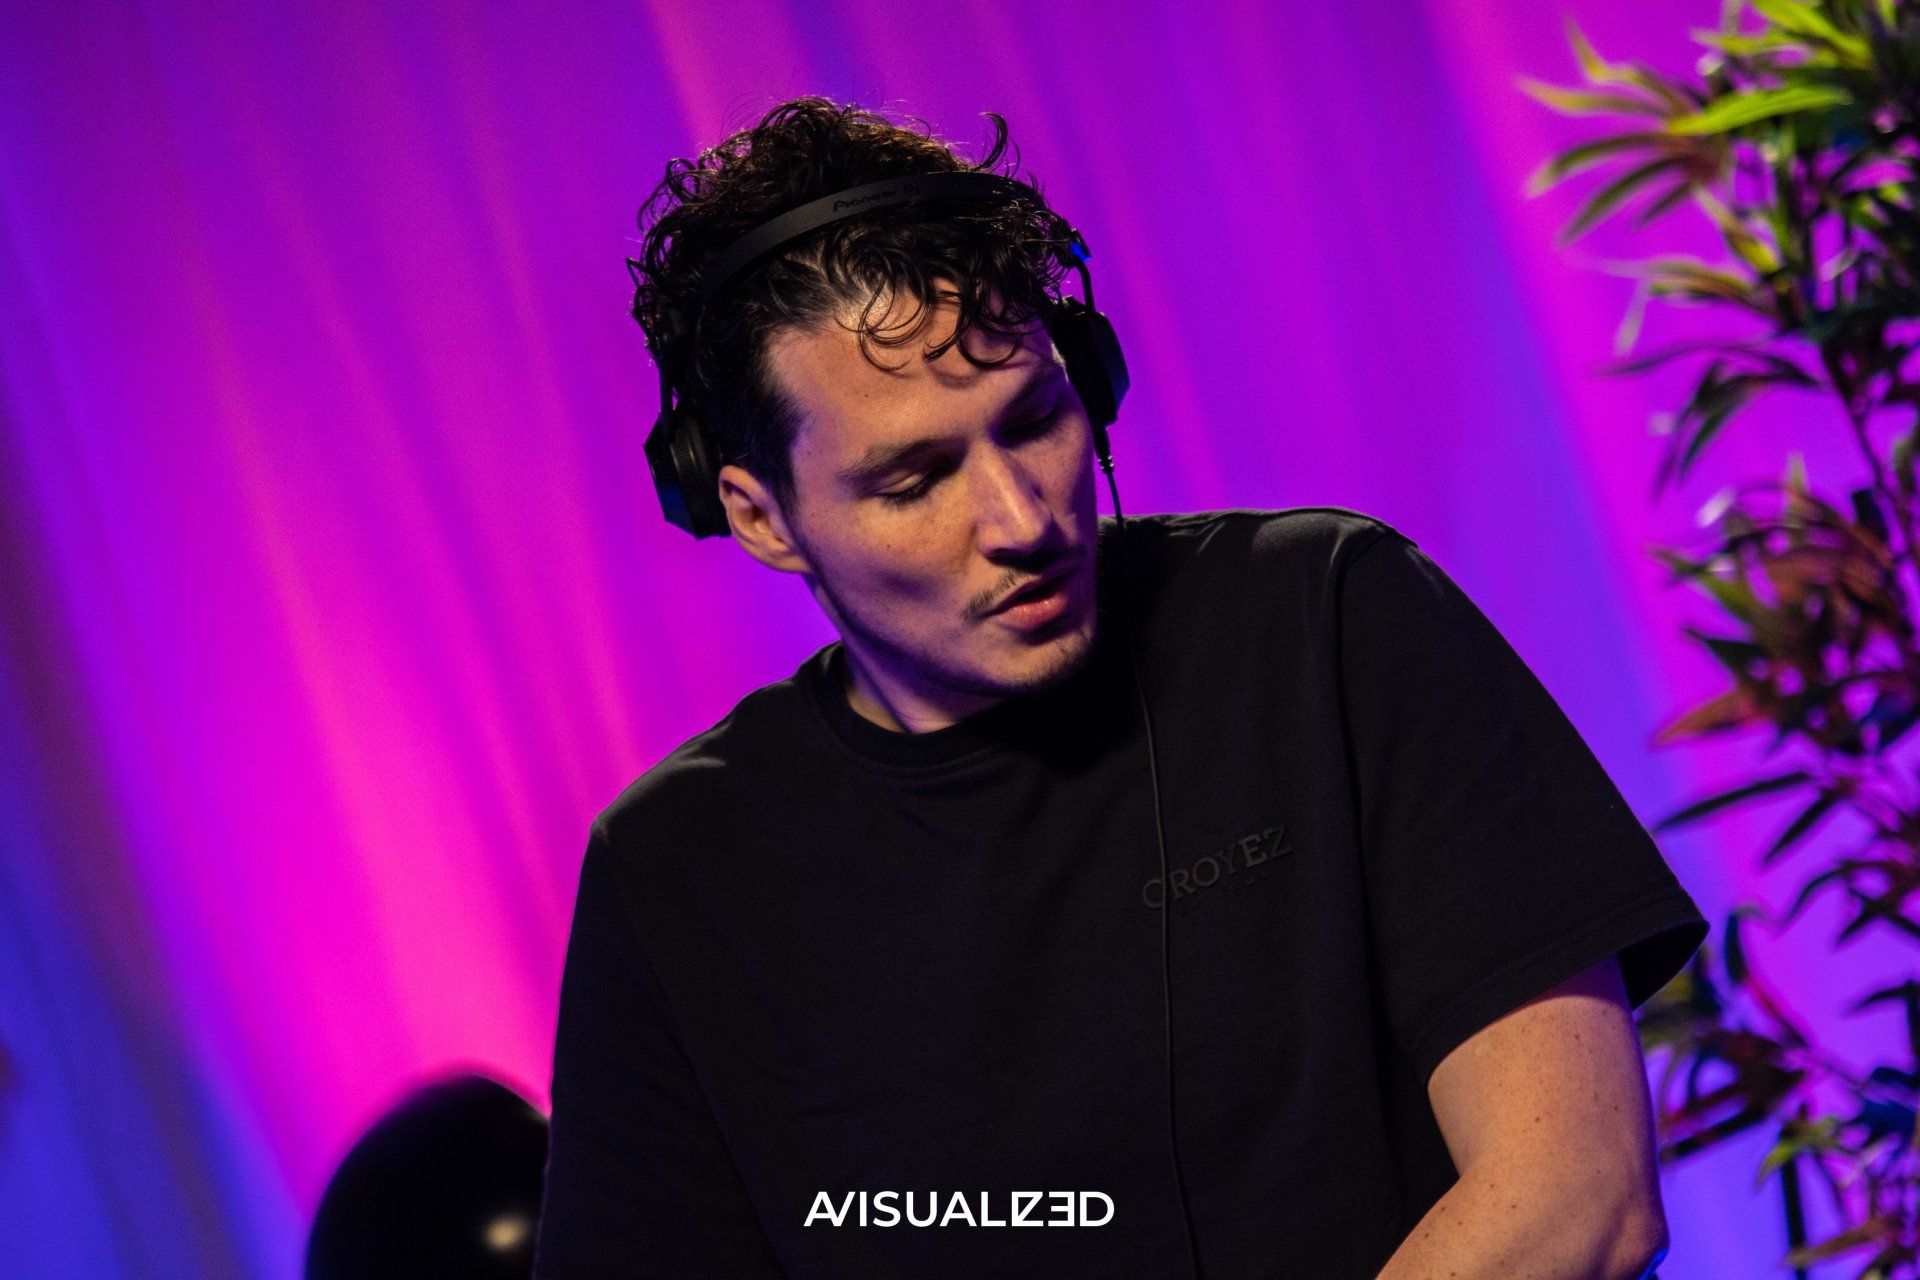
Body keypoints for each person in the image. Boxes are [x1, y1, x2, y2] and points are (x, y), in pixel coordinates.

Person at [532, 95, 1709, 1280]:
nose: (1021, 517)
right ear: (757, 514)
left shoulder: (1328, 617)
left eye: (1036, 418)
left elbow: (1579, 1192)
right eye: (915, 479)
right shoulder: (676, 865)